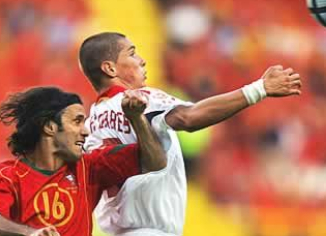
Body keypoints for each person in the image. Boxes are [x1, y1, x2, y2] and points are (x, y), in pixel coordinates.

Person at [78, 32, 302, 236]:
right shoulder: (141, 98)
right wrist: (259, 89)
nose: (141, 60)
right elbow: (188, 117)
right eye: (132, 54)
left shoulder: (89, 125)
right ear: (110, 69)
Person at [0, 86, 166, 236]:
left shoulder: (90, 167)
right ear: (50, 127)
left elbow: (156, 162)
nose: (85, 131)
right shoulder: (6, 175)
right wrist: (31, 233)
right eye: (77, 121)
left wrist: (136, 118)